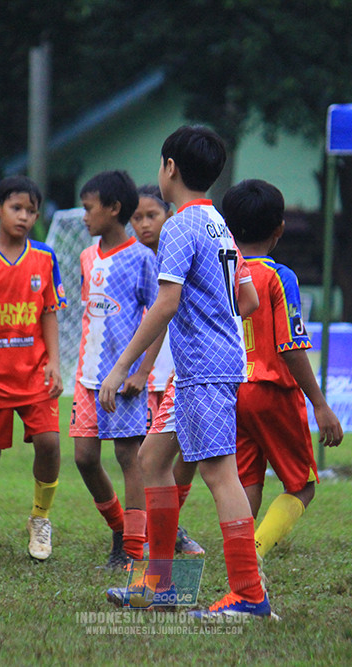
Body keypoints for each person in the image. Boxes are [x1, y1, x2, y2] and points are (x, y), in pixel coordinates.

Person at [100, 125, 274, 618]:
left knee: (221, 474)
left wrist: (121, 366)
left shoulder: (180, 226)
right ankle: (158, 586)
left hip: (202, 368)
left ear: (169, 168)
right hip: (210, 366)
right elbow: (249, 298)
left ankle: (248, 595)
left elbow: (167, 302)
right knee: (153, 461)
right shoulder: (219, 223)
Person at [222, 179, 344, 585]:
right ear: (279, 229)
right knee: (303, 484)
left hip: (231, 390)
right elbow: (291, 347)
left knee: (246, 483)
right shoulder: (279, 276)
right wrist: (320, 404)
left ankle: (237, 564)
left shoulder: (223, 273)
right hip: (272, 391)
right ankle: (253, 556)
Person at [0, 176, 66, 563]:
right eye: (16, 208)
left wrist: (55, 362)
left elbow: (50, 312)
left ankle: (40, 518)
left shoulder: (44, 257)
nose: (24, 217)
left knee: (50, 443)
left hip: (35, 373)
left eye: (31, 211)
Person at [70, 170, 160, 569]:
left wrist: (141, 372)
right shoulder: (87, 256)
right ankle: (121, 528)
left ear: (113, 209)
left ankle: (131, 549)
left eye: (89, 208)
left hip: (125, 382)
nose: (84, 217)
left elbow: (160, 316)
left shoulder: (143, 259)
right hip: (87, 377)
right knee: (85, 458)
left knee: (130, 458)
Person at [130, 184, 205, 557]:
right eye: (137, 217)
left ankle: (166, 533)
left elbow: (163, 312)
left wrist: (139, 369)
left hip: (177, 372)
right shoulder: (142, 258)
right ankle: (158, 534)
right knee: (152, 458)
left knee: (181, 457)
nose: (144, 224)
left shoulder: (178, 247)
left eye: (151, 215)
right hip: (159, 375)